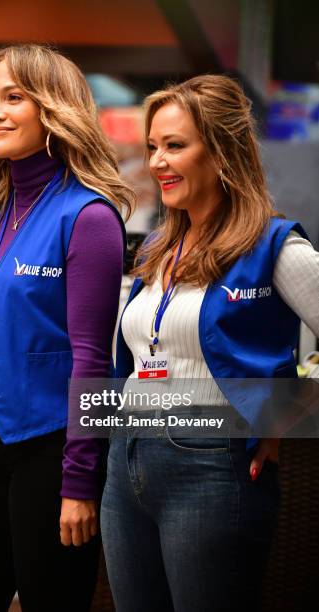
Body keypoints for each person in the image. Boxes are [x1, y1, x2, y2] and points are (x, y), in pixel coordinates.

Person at [0, 44, 134, 612]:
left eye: (13, 97)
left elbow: (94, 361)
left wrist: (80, 481)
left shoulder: (88, 217)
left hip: (55, 452)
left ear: (54, 108)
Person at [100, 75, 319, 612]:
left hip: (211, 469)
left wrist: (281, 414)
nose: (157, 161)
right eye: (152, 147)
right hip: (126, 458)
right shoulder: (157, 247)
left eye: (175, 146)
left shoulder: (274, 244)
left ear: (222, 153)